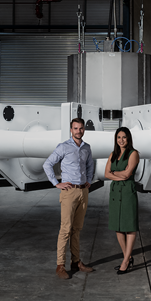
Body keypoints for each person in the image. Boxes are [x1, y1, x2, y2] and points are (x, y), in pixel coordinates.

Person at [43, 118, 95, 280]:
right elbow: (47, 164)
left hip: (83, 192)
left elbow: (90, 166)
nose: (78, 131)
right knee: (65, 229)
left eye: (81, 128)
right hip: (69, 192)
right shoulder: (63, 147)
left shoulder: (86, 148)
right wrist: (56, 183)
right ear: (71, 130)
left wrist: (89, 180)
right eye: (75, 128)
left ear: (84, 130)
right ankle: (60, 265)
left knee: (77, 229)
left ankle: (76, 262)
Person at [104, 127, 140, 275]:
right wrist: (118, 174)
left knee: (129, 226)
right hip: (114, 193)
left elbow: (127, 175)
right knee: (118, 227)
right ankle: (128, 256)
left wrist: (115, 173)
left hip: (127, 192)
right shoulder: (113, 154)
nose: (121, 140)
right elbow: (106, 174)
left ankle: (125, 261)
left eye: (124, 137)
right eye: (118, 137)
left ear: (128, 138)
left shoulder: (134, 154)